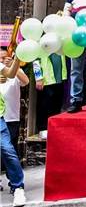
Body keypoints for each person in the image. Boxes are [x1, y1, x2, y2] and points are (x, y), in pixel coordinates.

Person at [0, 52, 26, 206]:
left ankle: (17, 187)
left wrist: (17, 59)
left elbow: (11, 74)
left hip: (4, 117)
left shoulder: (3, 67)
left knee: (7, 149)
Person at [0, 47, 29, 154]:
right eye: (0, 59)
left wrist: (14, 65)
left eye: (4, 58)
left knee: (10, 147)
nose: (2, 61)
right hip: (0, 116)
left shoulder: (17, 71)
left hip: (11, 117)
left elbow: (26, 81)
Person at [35, 53, 66, 134]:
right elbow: (35, 58)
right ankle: (43, 129)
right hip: (46, 79)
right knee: (44, 106)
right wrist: (38, 77)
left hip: (60, 77)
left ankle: (54, 130)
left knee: (57, 106)